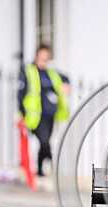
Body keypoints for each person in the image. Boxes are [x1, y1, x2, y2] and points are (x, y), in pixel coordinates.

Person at [18, 44, 70, 176]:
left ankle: (40, 170)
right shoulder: (29, 71)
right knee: (44, 141)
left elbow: (65, 78)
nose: (44, 59)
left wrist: (66, 84)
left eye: (47, 57)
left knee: (45, 142)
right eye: (42, 56)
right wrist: (22, 114)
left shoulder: (51, 73)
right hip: (35, 116)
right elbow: (20, 94)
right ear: (37, 55)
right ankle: (51, 159)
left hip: (49, 114)